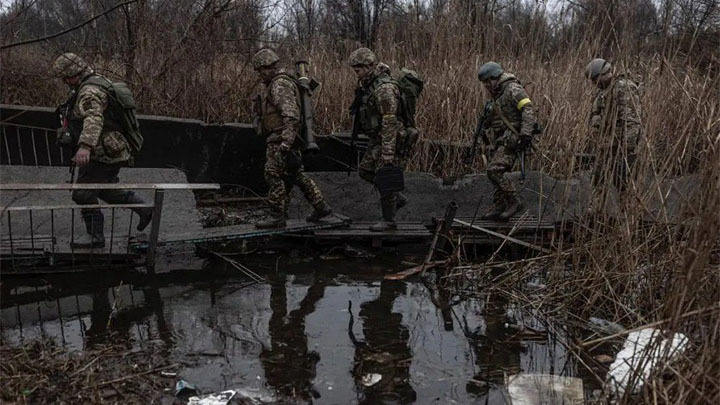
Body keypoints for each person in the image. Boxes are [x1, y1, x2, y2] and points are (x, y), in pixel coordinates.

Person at [52, 53, 152, 248]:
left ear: (73, 74)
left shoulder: (89, 91)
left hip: (102, 152)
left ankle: (95, 237)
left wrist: (85, 146)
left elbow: (94, 118)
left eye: (66, 77)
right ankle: (144, 208)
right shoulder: (97, 80)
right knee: (105, 188)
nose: (65, 82)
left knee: (82, 193)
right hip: (113, 148)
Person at [252, 49, 333, 228]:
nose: (260, 74)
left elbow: (291, 115)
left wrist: (286, 143)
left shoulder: (279, 85)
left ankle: (277, 215)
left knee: (272, 173)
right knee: (296, 175)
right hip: (284, 137)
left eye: (261, 70)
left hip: (282, 138)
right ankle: (322, 207)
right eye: (258, 71)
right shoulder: (277, 83)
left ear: (270, 67)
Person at [348, 47, 409, 231]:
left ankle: (389, 220)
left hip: (389, 139)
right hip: (377, 138)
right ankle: (397, 198)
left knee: (385, 176)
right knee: (365, 170)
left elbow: (390, 120)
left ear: (368, 67)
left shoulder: (384, 89)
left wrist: (388, 152)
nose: (356, 75)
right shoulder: (369, 86)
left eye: (358, 71)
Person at [476, 61, 538, 221]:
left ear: (494, 78)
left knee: (494, 170)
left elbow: (528, 109)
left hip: (514, 139)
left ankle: (515, 201)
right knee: (498, 171)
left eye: (487, 82)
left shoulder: (513, 89)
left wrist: (525, 135)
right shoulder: (498, 93)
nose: (486, 86)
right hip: (503, 139)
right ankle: (500, 205)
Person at [585, 58, 641, 190]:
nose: (594, 83)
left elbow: (632, 121)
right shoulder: (603, 90)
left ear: (605, 73)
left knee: (621, 184)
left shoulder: (624, 87)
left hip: (620, 148)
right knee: (598, 181)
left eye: (595, 79)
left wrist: (626, 151)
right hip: (606, 146)